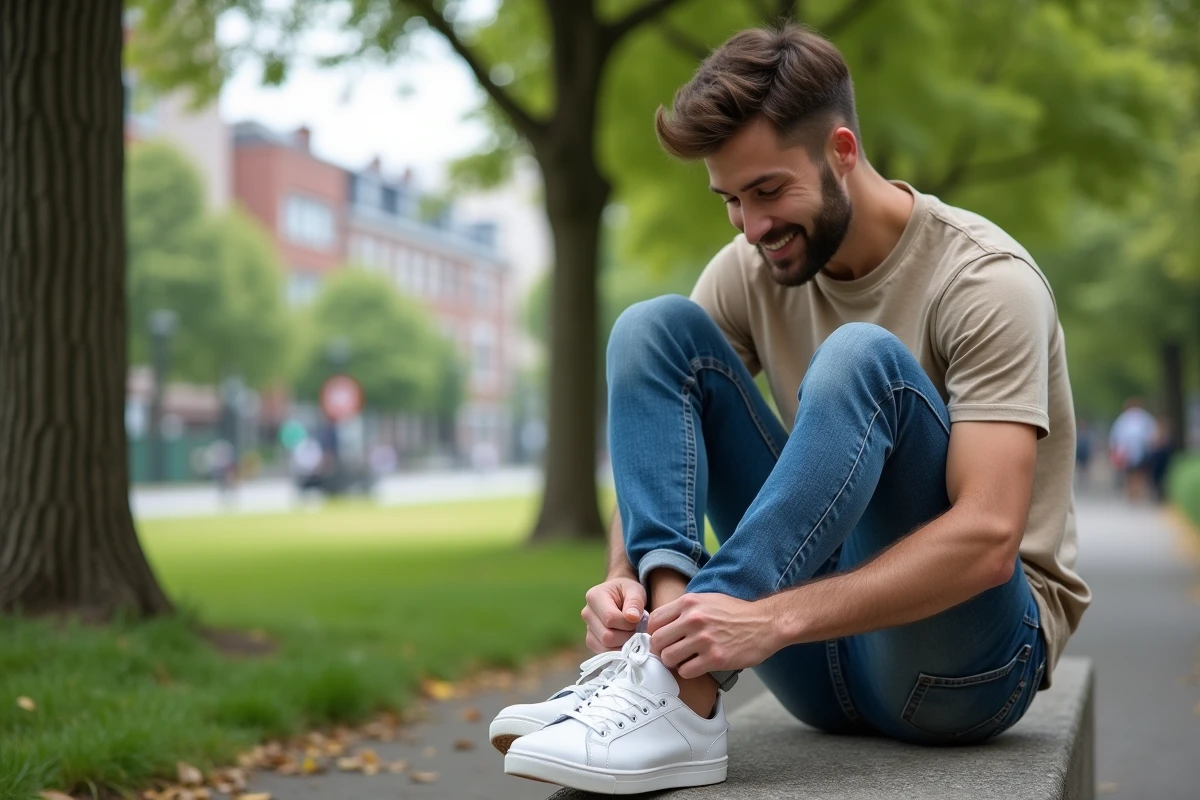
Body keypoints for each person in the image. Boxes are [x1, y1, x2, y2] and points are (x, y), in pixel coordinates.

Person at [492, 24, 1091, 795]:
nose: (750, 226)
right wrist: (628, 576)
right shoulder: (752, 266)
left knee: (858, 357)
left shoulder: (984, 281)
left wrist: (769, 619)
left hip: (963, 666)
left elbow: (987, 541)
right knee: (652, 328)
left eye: (769, 191)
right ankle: (671, 679)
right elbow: (665, 429)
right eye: (730, 200)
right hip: (820, 663)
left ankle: (676, 684)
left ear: (842, 152)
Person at [1108, 398, 1159, 502]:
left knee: (1134, 474)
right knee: (1136, 473)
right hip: (1132, 451)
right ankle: (1134, 493)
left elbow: (1115, 435)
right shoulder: (1142, 418)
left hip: (1134, 451)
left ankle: (1134, 493)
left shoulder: (1125, 418)